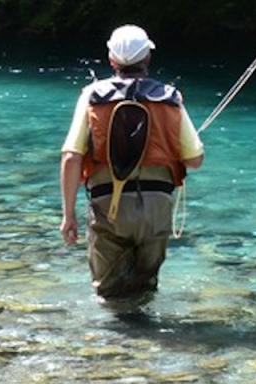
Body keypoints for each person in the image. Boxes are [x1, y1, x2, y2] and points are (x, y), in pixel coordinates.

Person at [59, 25, 204, 301]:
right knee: (145, 290)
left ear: (112, 61)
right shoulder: (171, 98)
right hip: (156, 206)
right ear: (147, 58)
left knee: (108, 294)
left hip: (108, 206)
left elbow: (71, 156)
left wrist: (68, 215)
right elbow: (194, 161)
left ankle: (113, 342)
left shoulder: (91, 96)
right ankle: (150, 343)